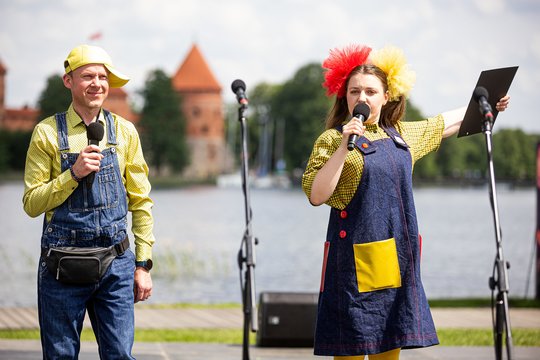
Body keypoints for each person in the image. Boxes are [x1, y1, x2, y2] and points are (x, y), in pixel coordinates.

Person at [302, 44, 509, 360]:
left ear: (386, 97)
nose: (362, 98)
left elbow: (445, 124)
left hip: (396, 261)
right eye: (355, 91)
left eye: (371, 91)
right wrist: (345, 145)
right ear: (344, 96)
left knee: (389, 351)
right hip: (351, 269)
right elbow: (318, 195)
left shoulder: (401, 134)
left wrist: (487, 102)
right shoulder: (332, 140)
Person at [23, 44, 155, 359]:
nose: (96, 83)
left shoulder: (125, 132)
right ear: (68, 81)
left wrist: (143, 264)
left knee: (120, 355)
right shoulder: (47, 134)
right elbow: (31, 203)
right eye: (87, 76)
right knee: (60, 356)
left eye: (102, 76)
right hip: (62, 264)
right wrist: (74, 174)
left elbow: (141, 202)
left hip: (116, 264)